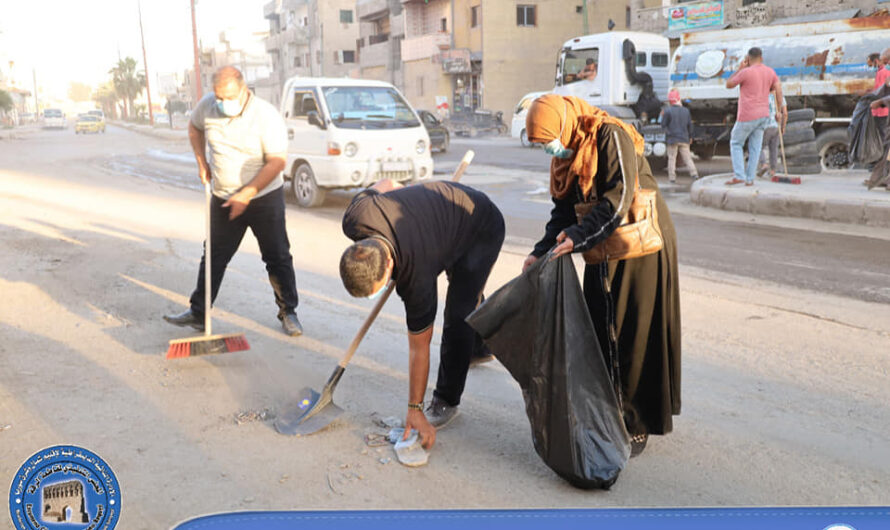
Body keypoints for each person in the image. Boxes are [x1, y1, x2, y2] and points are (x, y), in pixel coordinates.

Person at [522, 94, 681, 457]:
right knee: (602, 332)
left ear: (564, 123)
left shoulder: (608, 136)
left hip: (640, 246)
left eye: (549, 141)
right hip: (604, 246)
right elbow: (563, 212)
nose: (551, 150)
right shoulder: (569, 154)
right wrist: (540, 250)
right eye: (542, 145)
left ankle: (636, 423)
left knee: (633, 335)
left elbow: (619, 195)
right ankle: (611, 411)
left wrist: (579, 236)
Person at [339, 179, 505, 449]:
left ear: (390, 264)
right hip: (441, 219)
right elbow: (388, 183)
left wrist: (414, 409)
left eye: (377, 289)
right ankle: (479, 348)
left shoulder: (416, 277)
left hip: (481, 225)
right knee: (467, 296)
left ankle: (447, 401)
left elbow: (419, 347)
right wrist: (413, 200)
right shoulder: (357, 216)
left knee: (460, 312)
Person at [164, 66, 304, 337]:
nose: (222, 103)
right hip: (224, 197)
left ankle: (289, 312)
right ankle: (198, 312)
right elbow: (194, 128)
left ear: (244, 91)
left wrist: (248, 192)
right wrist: (201, 160)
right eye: (218, 97)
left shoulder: (265, 115)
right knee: (213, 256)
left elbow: (277, 161)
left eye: (228, 97)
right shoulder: (208, 106)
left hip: (263, 198)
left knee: (277, 256)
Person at [725, 47, 785, 186]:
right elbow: (778, 90)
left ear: (748, 59)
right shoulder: (770, 72)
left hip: (747, 114)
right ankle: (750, 179)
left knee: (736, 142)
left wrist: (740, 69)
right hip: (764, 115)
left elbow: (729, 84)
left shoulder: (745, 72)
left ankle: (739, 175)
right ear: (761, 58)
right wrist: (779, 110)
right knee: (755, 148)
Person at [661, 89, 698, 183]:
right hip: (684, 138)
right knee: (687, 158)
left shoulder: (667, 111)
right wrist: (690, 137)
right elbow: (690, 125)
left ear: (670, 101)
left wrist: (668, 133)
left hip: (672, 139)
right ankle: (694, 174)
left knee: (672, 158)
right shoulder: (686, 111)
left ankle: (672, 178)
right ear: (678, 99)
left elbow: (663, 126)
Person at [757, 91, 788, 179]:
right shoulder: (780, 96)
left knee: (758, 146)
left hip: (765, 126)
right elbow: (785, 113)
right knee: (773, 149)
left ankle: (764, 164)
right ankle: (773, 171)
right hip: (776, 126)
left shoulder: (762, 95)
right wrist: (783, 127)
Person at [871, 48, 890, 142]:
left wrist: (880, 101)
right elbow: (881, 89)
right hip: (883, 110)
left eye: (887, 63)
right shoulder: (883, 72)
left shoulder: (884, 72)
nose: (887, 65)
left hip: (883, 111)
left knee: (884, 137)